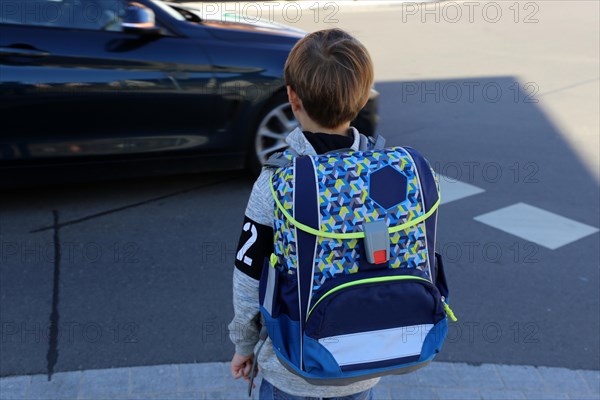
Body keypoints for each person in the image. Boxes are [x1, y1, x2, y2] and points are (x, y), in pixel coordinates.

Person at [229, 28, 378, 400]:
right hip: (364, 365)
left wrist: (244, 346)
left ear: (292, 98)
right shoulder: (385, 174)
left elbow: (248, 278)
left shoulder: (277, 182)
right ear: (361, 99)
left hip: (292, 368)